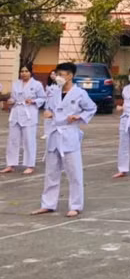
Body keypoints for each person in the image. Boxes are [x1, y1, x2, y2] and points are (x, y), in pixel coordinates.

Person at [31, 62, 97, 218]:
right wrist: (47, 112)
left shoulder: (80, 93)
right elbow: (49, 108)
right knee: (51, 172)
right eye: (58, 74)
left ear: (71, 76)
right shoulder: (54, 92)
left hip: (69, 133)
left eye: (62, 74)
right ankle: (48, 204)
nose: (59, 77)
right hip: (54, 134)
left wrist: (79, 117)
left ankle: (75, 205)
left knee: (74, 172)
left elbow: (91, 108)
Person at [2, 64, 46, 175]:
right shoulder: (16, 84)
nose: (24, 73)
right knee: (12, 140)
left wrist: (34, 101)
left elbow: (43, 98)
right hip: (16, 112)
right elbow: (13, 97)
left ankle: (30, 165)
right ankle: (10, 164)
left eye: (26, 71)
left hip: (29, 113)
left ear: (31, 72)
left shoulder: (37, 84)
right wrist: (11, 101)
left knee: (29, 140)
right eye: (22, 71)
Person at [42, 71, 59, 140]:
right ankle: (46, 133)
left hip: (56, 103)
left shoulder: (60, 84)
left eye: (54, 74)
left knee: (56, 118)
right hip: (49, 102)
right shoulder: (48, 84)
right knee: (47, 119)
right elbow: (45, 94)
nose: (52, 75)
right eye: (51, 74)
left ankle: (55, 132)